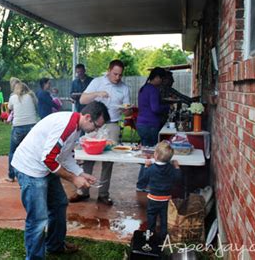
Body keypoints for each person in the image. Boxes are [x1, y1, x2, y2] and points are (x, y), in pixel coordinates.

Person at [11, 101, 110, 258]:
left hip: (44, 166)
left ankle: (55, 245)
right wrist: (73, 179)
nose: (96, 131)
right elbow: (49, 159)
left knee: (59, 203)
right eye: (96, 126)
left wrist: (81, 173)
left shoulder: (77, 128)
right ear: (88, 117)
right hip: (30, 169)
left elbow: (64, 156)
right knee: (37, 219)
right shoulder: (67, 125)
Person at [70, 59, 131, 205]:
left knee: (108, 160)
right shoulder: (97, 82)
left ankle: (103, 194)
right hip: (93, 124)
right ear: (109, 70)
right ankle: (83, 191)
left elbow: (128, 113)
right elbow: (83, 100)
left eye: (120, 75)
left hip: (112, 124)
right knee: (88, 158)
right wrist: (97, 93)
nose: (117, 77)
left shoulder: (124, 88)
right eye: (115, 74)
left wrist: (126, 110)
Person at [137, 141, 182, 241]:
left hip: (153, 199)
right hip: (166, 200)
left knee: (151, 217)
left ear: (155, 155)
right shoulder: (171, 168)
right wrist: (177, 167)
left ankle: (150, 236)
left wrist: (146, 166)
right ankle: (163, 238)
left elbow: (143, 180)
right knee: (164, 219)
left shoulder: (151, 169)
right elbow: (178, 178)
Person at [136, 67, 170, 191]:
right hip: (150, 125)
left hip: (141, 124)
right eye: (161, 79)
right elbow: (155, 108)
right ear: (156, 77)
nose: (161, 82)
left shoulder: (143, 89)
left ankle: (141, 184)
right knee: (150, 156)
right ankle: (144, 184)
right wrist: (166, 107)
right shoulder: (153, 90)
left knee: (146, 154)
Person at [6, 82, 38, 182]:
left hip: (18, 127)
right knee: (31, 151)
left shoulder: (13, 97)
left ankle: (11, 175)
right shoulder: (31, 96)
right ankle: (33, 174)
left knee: (13, 152)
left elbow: (10, 108)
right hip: (32, 127)